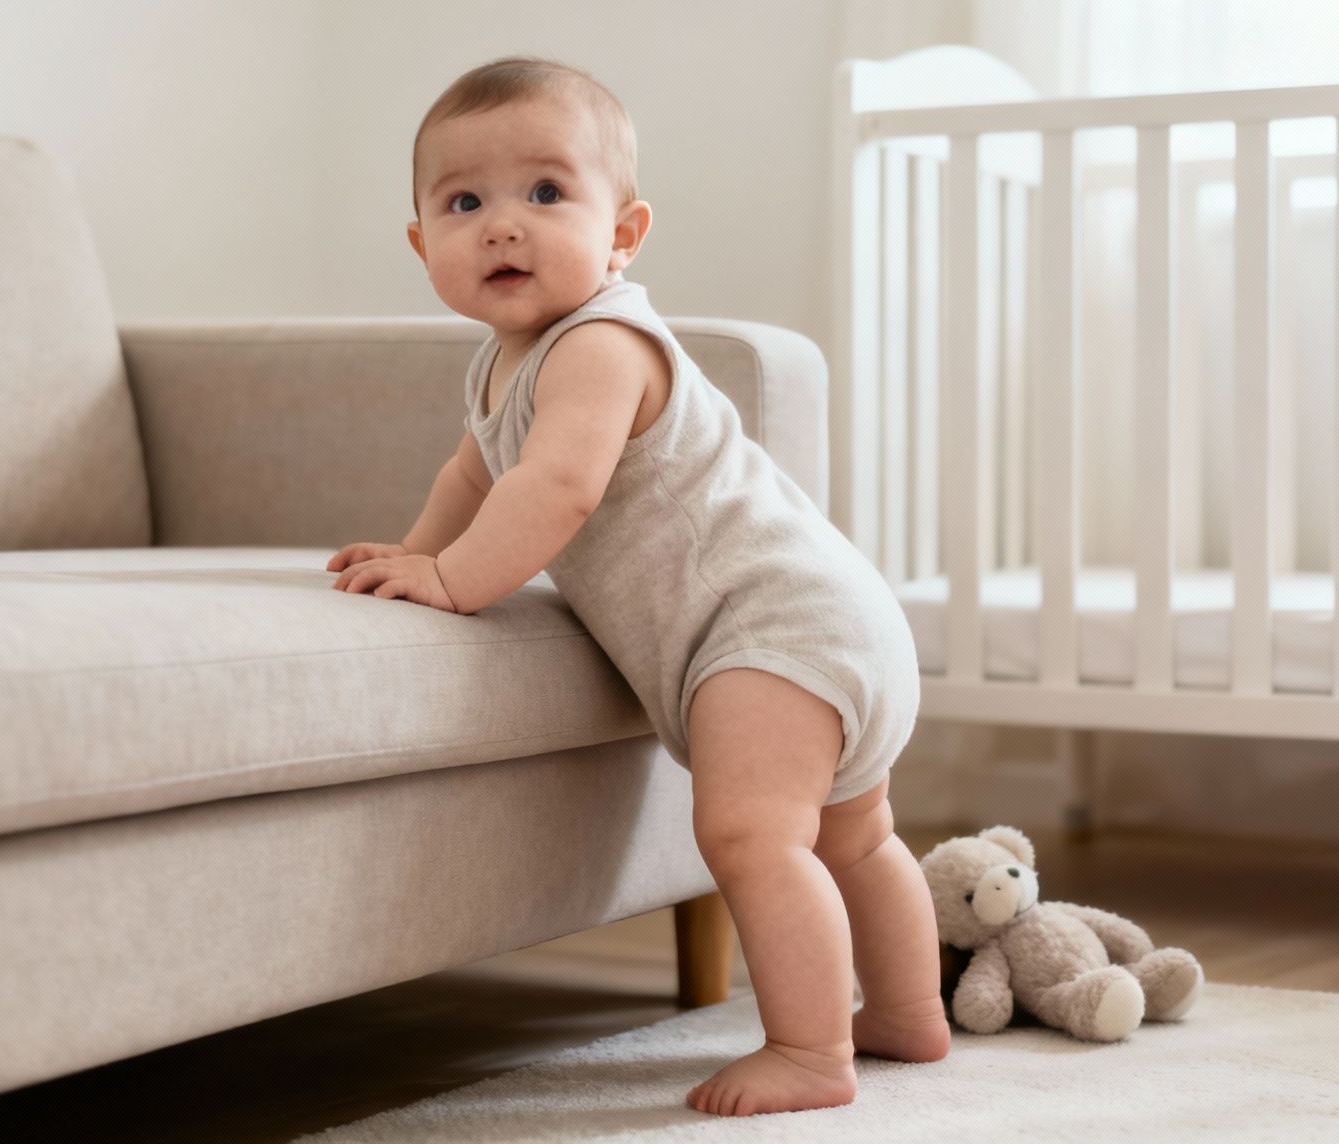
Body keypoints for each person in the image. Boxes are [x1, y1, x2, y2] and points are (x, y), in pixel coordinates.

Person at [329, 56, 948, 1117]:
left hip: (774, 623)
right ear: (420, 241)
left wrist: (454, 576)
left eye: (546, 192)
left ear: (623, 232)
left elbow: (556, 487)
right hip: (831, 619)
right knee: (855, 836)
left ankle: (808, 1051)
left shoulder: (603, 344)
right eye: (463, 202)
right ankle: (904, 1013)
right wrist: (414, 548)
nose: (502, 225)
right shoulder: (500, 365)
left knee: (751, 837)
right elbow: (474, 472)